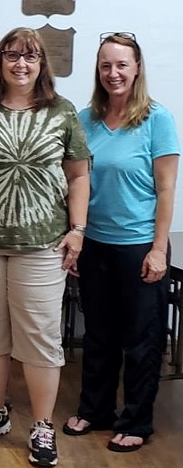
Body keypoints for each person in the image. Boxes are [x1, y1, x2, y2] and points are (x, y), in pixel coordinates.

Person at [0, 27, 91, 467]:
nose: (20, 64)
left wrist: (78, 229)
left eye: (30, 57)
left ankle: (42, 425)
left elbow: (79, 175)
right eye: (12, 55)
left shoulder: (62, 112)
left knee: (40, 339)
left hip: (42, 245)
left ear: (42, 63)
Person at [64, 32, 179, 453]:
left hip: (138, 245)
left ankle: (136, 420)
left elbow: (166, 191)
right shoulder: (85, 119)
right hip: (94, 242)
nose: (113, 73)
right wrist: (74, 237)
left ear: (137, 69)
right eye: (105, 66)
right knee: (99, 333)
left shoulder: (157, 120)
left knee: (141, 339)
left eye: (121, 65)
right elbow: (74, 182)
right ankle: (95, 411)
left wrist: (158, 249)